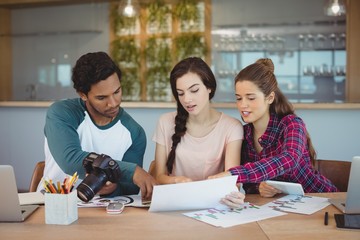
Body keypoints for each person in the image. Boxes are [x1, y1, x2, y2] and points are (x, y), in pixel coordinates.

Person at [210, 58, 338, 197]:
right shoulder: (244, 133)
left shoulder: (292, 124)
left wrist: (233, 173)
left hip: (321, 199)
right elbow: (249, 186)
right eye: (239, 98)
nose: (242, 105)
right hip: (280, 209)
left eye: (251, 98)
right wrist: (260, 187)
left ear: (270, 98)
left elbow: (289, 159)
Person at [37, 51, 156, 200]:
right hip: (53, 205)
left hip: (103, 211)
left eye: (117, 92)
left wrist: (113, 189)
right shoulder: (61, 113)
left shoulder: (134, 132)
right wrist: (133, 171)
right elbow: (70, 159)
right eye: (102, 97)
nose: (113, 103)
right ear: (83, 94)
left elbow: (130, 188)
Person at [152, 57, 245, 208]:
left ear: (209, 88)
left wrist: (234, 195)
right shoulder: (165, 122)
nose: (187, 99)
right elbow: (159, 176)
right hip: (175, 205)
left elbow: (233, 180)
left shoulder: (232, 127)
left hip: (214, 206)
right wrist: (176, 180)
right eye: (180, 93)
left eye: (194, 90)